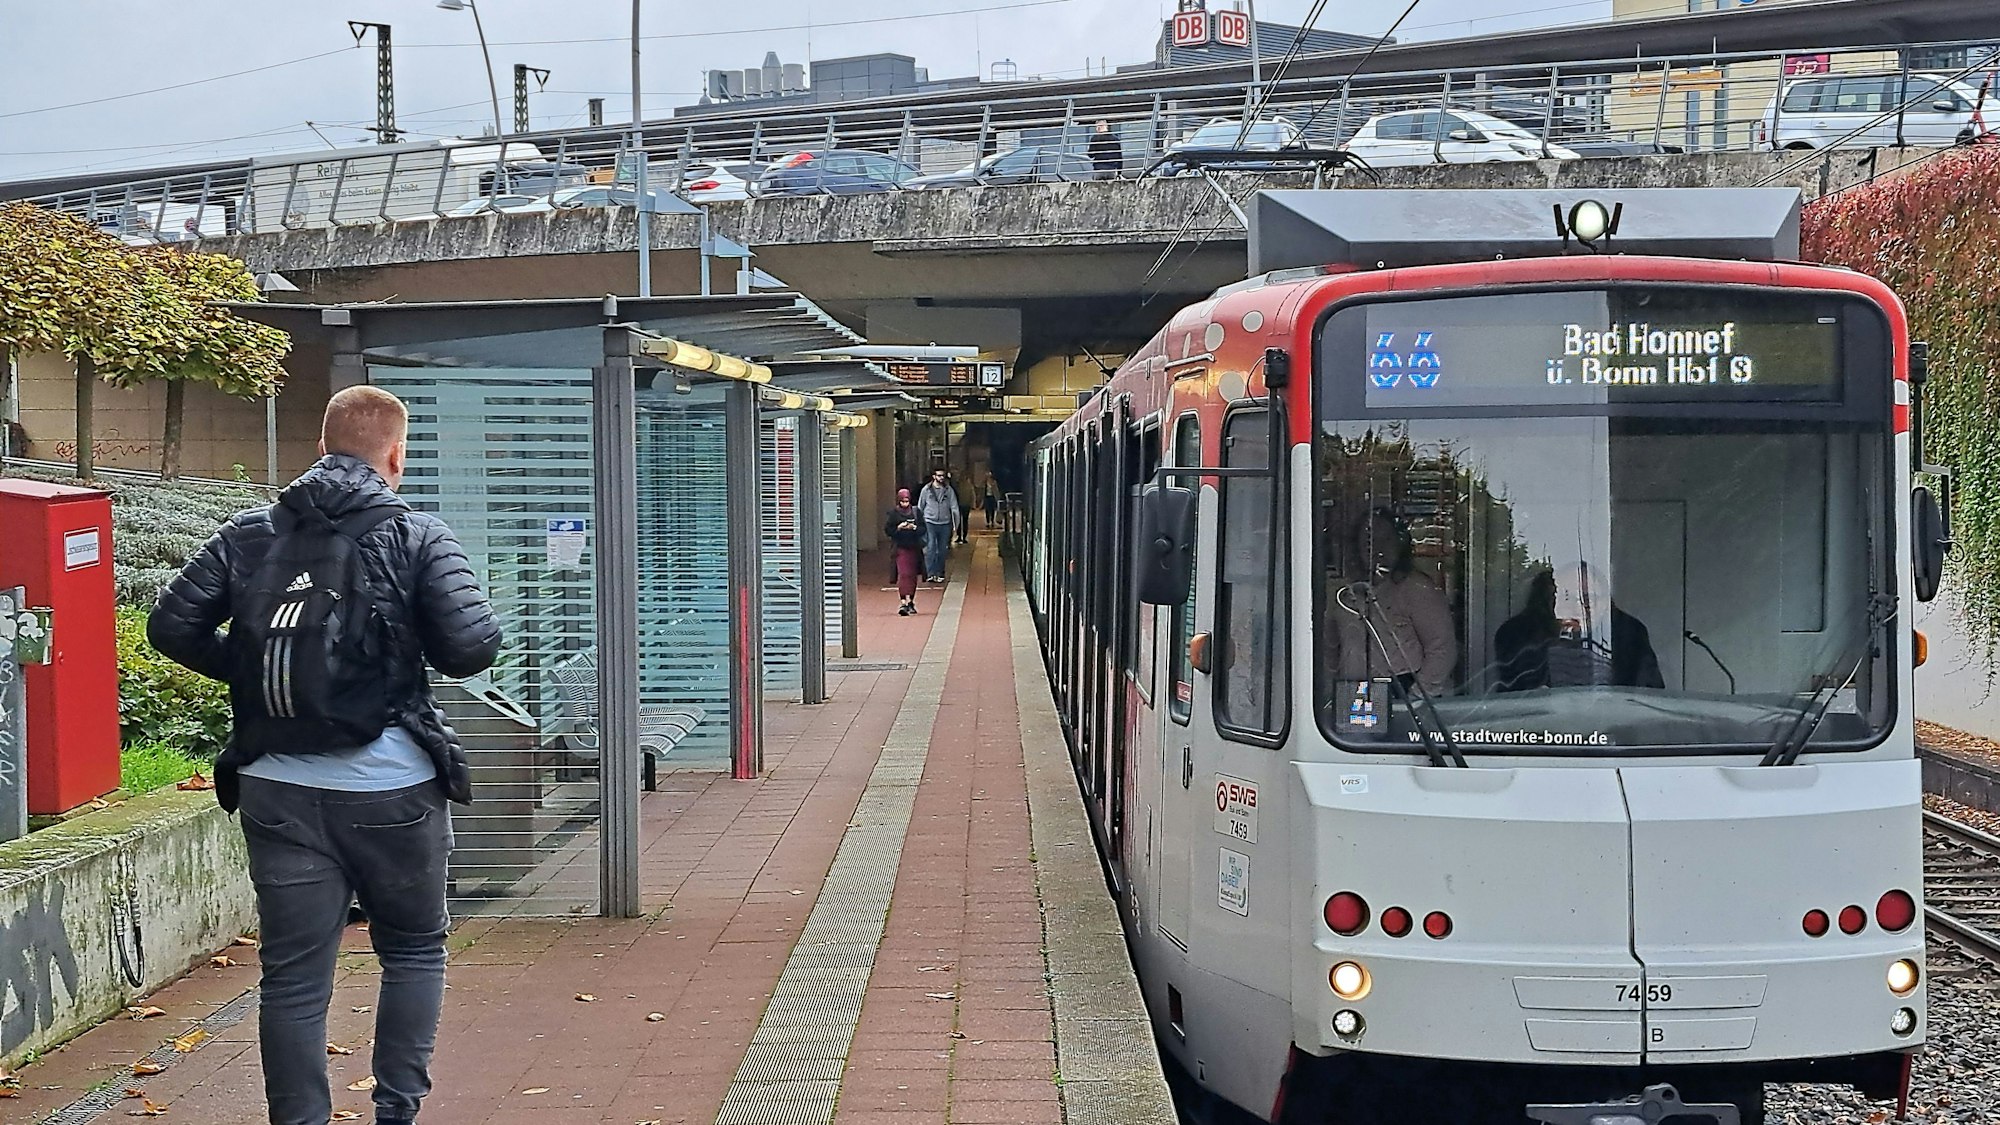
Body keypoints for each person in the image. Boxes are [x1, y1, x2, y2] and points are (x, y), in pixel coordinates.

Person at [148, 385, 502, 1125]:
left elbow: (171, 627)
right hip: (394, 788)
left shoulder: (247, 533)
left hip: (276, 786)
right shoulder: (418, 534)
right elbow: (470, 647)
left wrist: (261, 677)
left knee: (293, 979)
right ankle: (396, 1112)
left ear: (320, 447)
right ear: (395, 455)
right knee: (412, 950)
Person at [1325, 508, 1457, 696]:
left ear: (1400, 543)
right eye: (1369, 541)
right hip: (1353, 690)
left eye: (1386, 539)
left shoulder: (1416, 587)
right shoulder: (1344, 594)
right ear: (1357, 547)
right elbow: (1329, 647)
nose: (1378, 549)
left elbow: (1442, 648)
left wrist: (1418, 693)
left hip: (1402, 688)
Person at [1495, 563, 1664, 691]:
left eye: (1588, 598)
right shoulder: (1517, 633)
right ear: (1547, 600)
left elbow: (1648, 695)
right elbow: (1515, 697)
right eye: (1565, 597)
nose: (1576, 607)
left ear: (1606, 602)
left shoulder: (1630, 633)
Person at [885, 488, 927, 615]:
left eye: (907, 501)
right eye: (902, 501)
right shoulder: (894, 514)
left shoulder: (916, 512)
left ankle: (911, 601)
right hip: (900, 548)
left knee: (912, 576)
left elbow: (923, 529)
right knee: (903, 574)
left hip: (914, 548)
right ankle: (903, 601)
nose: (905, 504)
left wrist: (913, 527)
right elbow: (888, 530)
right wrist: (898, 528)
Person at [917, 467, 959, 582]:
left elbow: (954, 507)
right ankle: (930, 573)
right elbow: (921, 506)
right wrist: (919, 523)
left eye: (942, 476)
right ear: (934, 476)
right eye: (939, 475)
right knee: (930, 547)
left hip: (945, 523)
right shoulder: (926, 490)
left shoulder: (948, 490)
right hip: (929, 521)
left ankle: (940, 573)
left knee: (942, 549)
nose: (941, 478)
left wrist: (956, 525)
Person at [952, 473, 974, 545]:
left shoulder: (960, 486)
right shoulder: (966, 486)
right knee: (962, 521)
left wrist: (972, 503)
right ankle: (961, 536)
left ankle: (962, 536)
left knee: (962, 521)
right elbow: (972, 495)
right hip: (962, 505)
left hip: (962, 505)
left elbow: (972, 495)